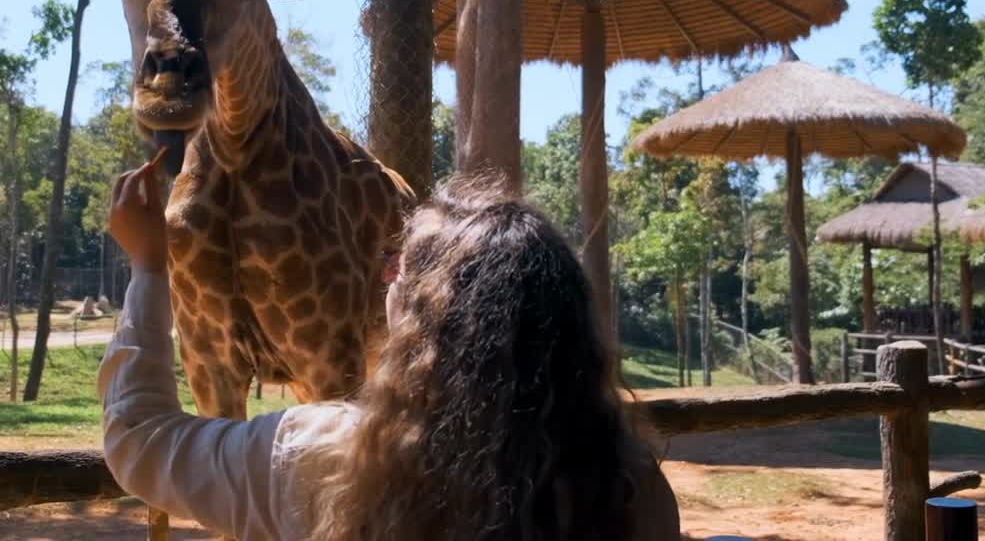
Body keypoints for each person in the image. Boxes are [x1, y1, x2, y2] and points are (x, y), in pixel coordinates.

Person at [98, 156, 680, 541]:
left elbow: (139, 439)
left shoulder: (321, 457)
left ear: (422, 320)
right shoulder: (632, 484)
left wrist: (149, 267)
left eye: (398, 269)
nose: (386, 278)